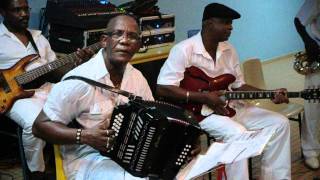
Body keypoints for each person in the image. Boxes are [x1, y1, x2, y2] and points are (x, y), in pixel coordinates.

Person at [156, 3, 291, 180]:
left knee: (279, 123)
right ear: (208, 24)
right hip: (200, 113)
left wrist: (269, 93)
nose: (230, 27)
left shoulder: (229, 49)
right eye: (225, 22)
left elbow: (238, 85)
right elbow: (163, 87)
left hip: (231, 108)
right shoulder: (183, 50)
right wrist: (203, 97)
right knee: (238, 134)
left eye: (231, 23)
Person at [32, 14, 161, 180]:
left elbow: (154, 116)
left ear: (138, 45)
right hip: (87, 159)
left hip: (127, 156)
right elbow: (39, 127)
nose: (124, 40)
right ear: (104, 40)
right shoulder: (79, 80)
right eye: (118, 34)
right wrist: (83, 136)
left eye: (132, 36)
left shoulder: (137, 78)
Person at [0, 0, 93, 178]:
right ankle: (37, 172)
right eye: (16, 10)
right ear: (3, 12)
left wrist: (77, 62)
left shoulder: (38, 37)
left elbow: (55, 71)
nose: (24, 14)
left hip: (46, 87)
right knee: (35, 123)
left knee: (82, 103)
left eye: (26, 9)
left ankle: (75, 165)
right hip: (16, 96)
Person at [294, 0, 320, 169]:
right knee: (313, 106)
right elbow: (298, 20)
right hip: (318, 56)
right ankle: (309, 150)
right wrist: (308, 42)